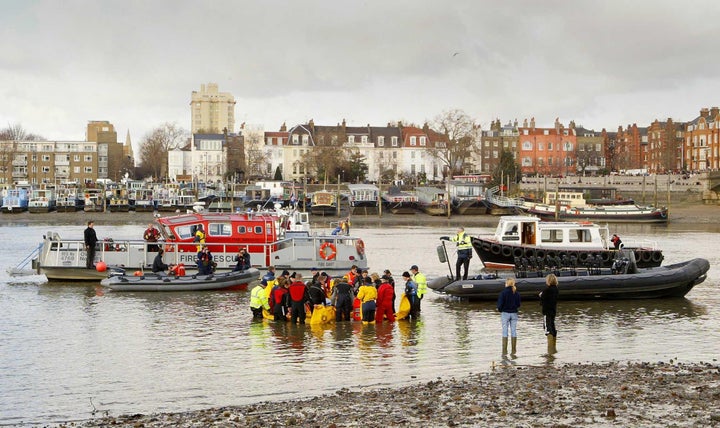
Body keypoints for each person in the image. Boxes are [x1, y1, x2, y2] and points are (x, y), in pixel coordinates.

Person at [497, 277, 522, 355]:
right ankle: (513, 350)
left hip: (505, 313)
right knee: (513, 331)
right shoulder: (516, 293)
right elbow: (518, 304)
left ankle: (504, 351)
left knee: (505, 331)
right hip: (514, 313)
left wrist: (500, 310)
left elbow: (500, 304)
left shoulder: (503, 293)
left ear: (507, 284)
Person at [540, 273, 559, 349]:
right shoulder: (556, 289)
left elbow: (542, 301)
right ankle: (554, 346)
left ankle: (550, 349)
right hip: (553, 310)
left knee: (547, 328)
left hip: (546, 311)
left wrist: (541, 295)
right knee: (552, 326)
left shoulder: (546, 290)